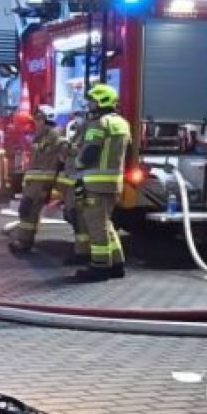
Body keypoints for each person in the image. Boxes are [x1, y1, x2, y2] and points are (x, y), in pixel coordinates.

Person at [71, 83, 131, 282]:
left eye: (92, 102)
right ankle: (116, 264)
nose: (89, 106)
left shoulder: (99, 123)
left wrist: (77, 164)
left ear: (101, 102)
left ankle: (100, 267)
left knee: (96, 226)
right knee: (105, 223)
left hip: (95, 183)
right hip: (113, 183)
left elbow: (90, 151)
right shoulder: (122, 123)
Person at [8, 105, 65, 254]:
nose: (36, 122)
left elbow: (63, 156)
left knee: (28, 210)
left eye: (39, 119)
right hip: (33, 182)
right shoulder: (40, 135)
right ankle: (24, 241)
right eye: (36, 119)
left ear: (47, 119)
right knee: (27, 211)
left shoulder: (54, 135)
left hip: (41, 183)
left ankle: (23, 242)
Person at [56, 115, 91, 266]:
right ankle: (81, 250)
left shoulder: (87, 136)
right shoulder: (78, 135)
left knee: (79, 217)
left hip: (79, 183)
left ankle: (83, 252)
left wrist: (64, 143)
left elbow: (76, 152)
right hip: (73, 182)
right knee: (75, 217)